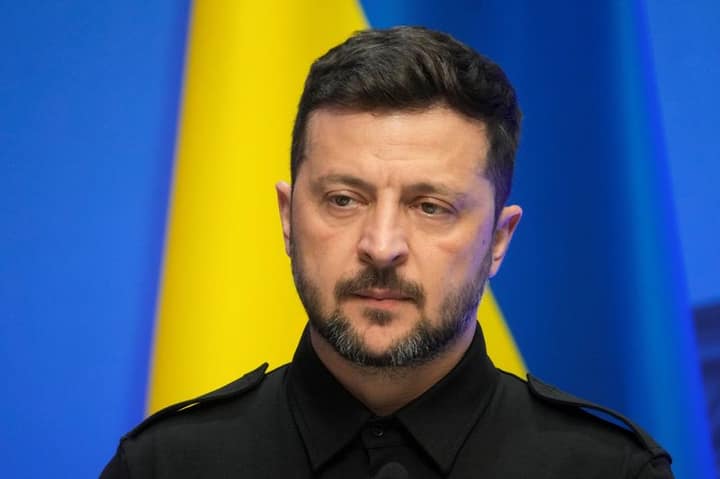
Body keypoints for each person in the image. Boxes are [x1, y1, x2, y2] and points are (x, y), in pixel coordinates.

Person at [101, 26, 673, 478]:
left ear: (499, 240)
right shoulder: (164, 466)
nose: (381, 247)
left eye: (430, 207)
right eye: (344, 200)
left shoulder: (610, 471)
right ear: (288, 217)